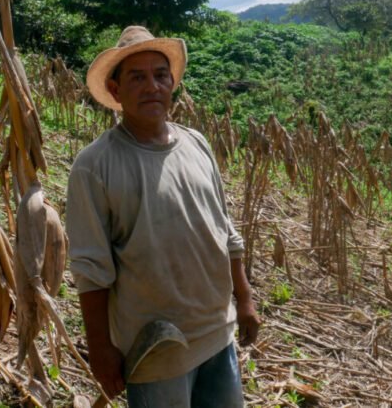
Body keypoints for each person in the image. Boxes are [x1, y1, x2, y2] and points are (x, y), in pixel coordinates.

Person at [66, 26, 261, 407]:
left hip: (217, 332)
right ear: (116, 91)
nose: (151, 86)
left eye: (159, 75)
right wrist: (101, 350)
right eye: (136, 77)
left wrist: (245, 299)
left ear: (172, 84)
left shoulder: (196, 143)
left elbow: (226, 231)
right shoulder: (94, 166)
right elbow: (90, 271)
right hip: (156, 346)